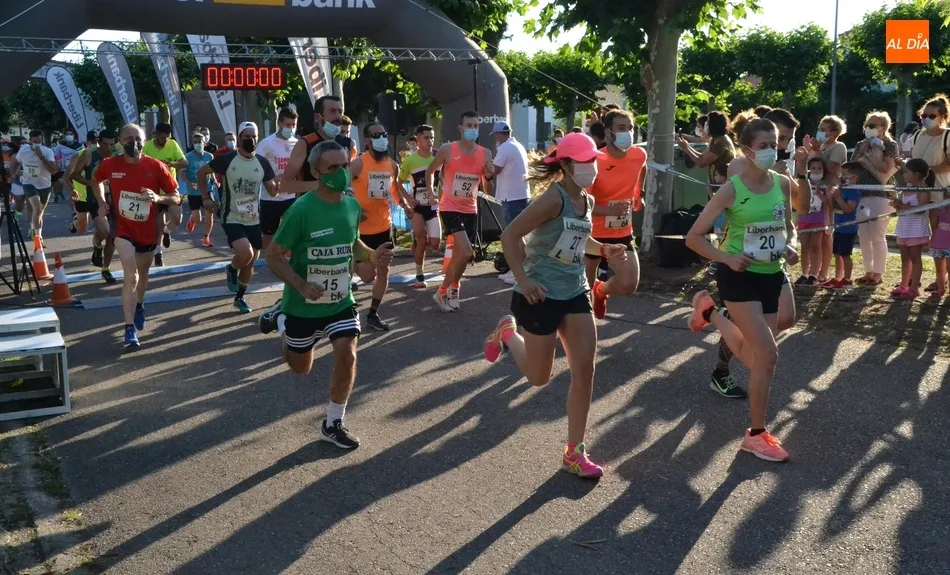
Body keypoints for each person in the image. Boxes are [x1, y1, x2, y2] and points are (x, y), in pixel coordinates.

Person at [483, 133, 628, 479]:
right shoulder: (553, 199)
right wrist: (524, 279)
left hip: (575, 291)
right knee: (539, 377)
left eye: (593, 160)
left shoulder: (587, 202)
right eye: (584, 162)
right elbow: (510, 235)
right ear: (564, 165)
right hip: (540, 293)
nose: (591, 167)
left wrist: (604, 250)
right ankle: (507, 333)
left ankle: (574, 452)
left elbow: (580, 239)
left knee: (586, 368)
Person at [258, 140, 394, 450]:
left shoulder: (350, 205)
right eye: (332, 168)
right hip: (302, 304)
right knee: (300, 367)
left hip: (340, 301)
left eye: (344, 166)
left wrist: (373, 257)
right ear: (317, 172)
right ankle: (280, 320)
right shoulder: (300, 210)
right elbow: (275, 256)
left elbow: (353, 245)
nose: (341, 173)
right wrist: (301, 285)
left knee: (348, 354)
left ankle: (333, 422)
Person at [685, 118, 797, 462]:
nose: (771, 150)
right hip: (738, 276)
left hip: (771, 273)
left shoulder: (782, 183)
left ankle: (710, 312)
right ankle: (757, 434)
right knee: (768, 355)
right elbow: (694, 237)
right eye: (763, 145)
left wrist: (788, 246)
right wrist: (727, 258)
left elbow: (787, 227)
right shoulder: (731, 189)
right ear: (747, 150)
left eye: (774, 143)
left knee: (754, 355)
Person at [706, 110, 806, 400]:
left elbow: (801, 205)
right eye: (778, 139)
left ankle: (722, 317)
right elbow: (739, 203)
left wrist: (797, 171)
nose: (781, 147)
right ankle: (722, 370)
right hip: (741, 259)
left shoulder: (779, 170)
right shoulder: (739, 167)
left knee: (785, 317)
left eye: (784, 141)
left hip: (773, 256)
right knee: (759, 346)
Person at [94, 124, 179, 348]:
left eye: (137, 138)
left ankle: (139, 304)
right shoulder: (109, 164)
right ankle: (129, 329)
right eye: (128, 139)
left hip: (148, 230)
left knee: (142, 274)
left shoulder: (156, 166)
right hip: (123, 229)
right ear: (120, 142)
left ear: (144, 139)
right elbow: (96, 180)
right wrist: (102, 202)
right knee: (130, 275)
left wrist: (158, 198)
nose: (134, 143)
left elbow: (176, 197)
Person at [198, 121, 276, 314]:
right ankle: (232, 269)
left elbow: (272, 190)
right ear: (239, 139)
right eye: (246, 136)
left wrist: (279, 185)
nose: (250, 140)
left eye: (253, 136)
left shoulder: (263, 163)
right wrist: (206, 198)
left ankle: (239, 297)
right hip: (231, 215)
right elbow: (202, 173)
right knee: (246, 253)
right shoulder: (227, 159)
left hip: (254, 218)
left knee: (251, 260)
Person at [426, 110, 495, 312]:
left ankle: (452, 288)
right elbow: (431, 170)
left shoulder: (485, 153)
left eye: (476, 126)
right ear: (461, 128)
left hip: (470, 208)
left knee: (462, 256)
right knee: (465, 250)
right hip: (449, 206)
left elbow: (488, 190)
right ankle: (442, 291)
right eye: (469, 125)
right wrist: (431, 191)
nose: (473, 129)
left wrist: (489, 177)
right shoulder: (448, 149)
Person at [584, 108, 643, 316]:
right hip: (593, 234)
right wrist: (608, 209)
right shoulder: (596, 161)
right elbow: (582, 205)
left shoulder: (639, 155)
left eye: (630, 128)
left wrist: (638, 194)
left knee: (629, 284)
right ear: (608, 133)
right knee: (583, 292)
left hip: (621, 231)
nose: (628, 133)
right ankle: (578, 336)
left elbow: (640, 169)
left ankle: (601, 290)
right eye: (621, 128)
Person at [350, 122, 403, 331]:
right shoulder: (358, 164)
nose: (381, 137)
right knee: (367, 276)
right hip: (362, 231)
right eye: (376, 135)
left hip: (384, 227)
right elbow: (341, 186)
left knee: (383, 271)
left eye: (383, 133)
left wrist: (406, 207)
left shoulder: (392, 165)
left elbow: (394, 191)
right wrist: (352, 210)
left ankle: (373, 313)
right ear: (367, 141)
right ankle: (350, 265)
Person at [851, 111, 899, 286]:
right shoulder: (860, 144)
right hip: (863, 194)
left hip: (882, 195)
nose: (868, 129)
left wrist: (875, 150)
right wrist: (863, 152)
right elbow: (852, 168)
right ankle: (868, 272)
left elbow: (886, 169)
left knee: (878, 235)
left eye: (873, 125)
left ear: (883, 128)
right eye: (867, 125)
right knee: (863, 235)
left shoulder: (890, 145)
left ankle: (878, 273)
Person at [281, 95, 356, 197]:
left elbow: (348, 177)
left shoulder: (348, 143)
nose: (338, 116)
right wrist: (321, 185)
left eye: (340, 111)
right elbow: (285, 185)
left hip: (338, 208)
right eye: (332, 111)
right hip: (311, 208)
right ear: (317, 117)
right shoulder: (304, 144)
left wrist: (350, 195)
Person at [398, 124, 441, 288]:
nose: (430, 141)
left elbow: (443, 178)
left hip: (432, 206)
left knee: (436, 244)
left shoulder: (438, 157)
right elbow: (399, 183)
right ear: (418, 139)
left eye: (432, 138)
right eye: (426, 137)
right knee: (422, 240)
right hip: (417, 206)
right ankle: (419, 275)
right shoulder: (410, 160)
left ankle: (416, 243)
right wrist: (409, 199)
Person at [806, 115, 849, 282]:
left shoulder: (839, 147)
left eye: (824, 129)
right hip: (814, 193)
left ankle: (824, 272)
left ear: (834, 132)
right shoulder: (819, 147)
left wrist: (817, 152)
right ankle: (812, 271)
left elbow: (831, 168)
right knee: (813, 236)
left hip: (829, 192)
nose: (820, 132)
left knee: (826, 234)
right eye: (820, 128)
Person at [142, 122, 188, 266]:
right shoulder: (147, 146)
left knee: (177, 219)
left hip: (170, 189)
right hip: (154, 190)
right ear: (155, 134)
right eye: (161, 137)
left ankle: (168, 230)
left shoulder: (172, 144)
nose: (164, 140)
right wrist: (156, 165)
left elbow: (184, 163)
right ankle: (158, 252)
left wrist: (172, 164)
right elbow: (140, 164)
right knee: (158, 224)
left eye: (166, 138)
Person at [491, 121, 531, 284]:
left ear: (499, 134)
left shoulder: (505, 148)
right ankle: (517, 270)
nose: (495, 138)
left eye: (495, 135)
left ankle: (519, 273)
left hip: (512, 198)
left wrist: (485, 167)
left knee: (514, 236)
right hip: (521, 196)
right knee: (518, 235)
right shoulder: (517, 145)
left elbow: (495, 169)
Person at [890, 158, 934, 300]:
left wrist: (902, 205)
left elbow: (921, 210)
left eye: (906, 172)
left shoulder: (924, 190)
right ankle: (904, 285)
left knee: (915, 258)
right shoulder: (905, 189)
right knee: (904, 259)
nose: (904, 175)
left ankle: (914, 287)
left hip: (916, 230)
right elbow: (902, 207)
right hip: (904, 228)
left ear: (916, 174)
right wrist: (897, 205)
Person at [256, 107, 299, 249]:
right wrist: (272, 179)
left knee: (293, 234)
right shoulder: (267, 143)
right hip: (271, 198)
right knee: (269, 235)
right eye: (288, 125)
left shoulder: (297, 143)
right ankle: (267, 264)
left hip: (291, 197)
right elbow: (257, 165)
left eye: (294, 125)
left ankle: (288, 264)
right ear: (280, 124)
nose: (291, 128)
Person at [11, 130, 57, 243]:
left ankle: (35, 230)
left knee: (40, 212)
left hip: (45, 185)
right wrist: (12, 174)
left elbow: (52, 170)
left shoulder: (47, 151)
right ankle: (38, 237)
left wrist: (41, 157)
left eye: (40, 141)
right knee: (36, 208)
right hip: (29, 183)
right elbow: (16, 161)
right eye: (35, 141)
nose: (37, 144)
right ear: (30, 140)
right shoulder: (23, 151)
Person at [676, 110, 735, 198]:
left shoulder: (721, 143)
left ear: (713, 125)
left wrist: (685, 148)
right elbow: (702, 156)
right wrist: (687, 145)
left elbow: (702, 163)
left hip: (723, 187)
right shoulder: (715, 140)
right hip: (716, 186)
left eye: (707, 122)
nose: (705, 125)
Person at [795, 156, 832, 286]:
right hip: (804, 219)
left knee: (816, 247)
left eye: (819, 168)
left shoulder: (825, 185)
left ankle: (814, 274)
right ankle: (804, 273)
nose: (816, 171)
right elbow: (797, 200)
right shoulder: (803, 183)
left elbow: (828, 203)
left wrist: (819, 193)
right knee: (804, 247)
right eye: (813, 168)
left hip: (818, 220)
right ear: (808, 169)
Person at [825, 162, 861, 290]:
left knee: (845, 254)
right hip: (838, 226)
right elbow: (831, 207)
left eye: (845, 175)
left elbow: (848, 209)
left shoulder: (853, 192)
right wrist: (829, 197)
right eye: (841, 174)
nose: (841, 177)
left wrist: (838, 197)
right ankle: (838, 277)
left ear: (854, 177)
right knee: (837, 253)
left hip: (848, 228)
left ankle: (847, 279)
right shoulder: (842, 189)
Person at [182, 132, 216, 247]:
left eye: (199, 142)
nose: (197, 144)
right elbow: (181, 172)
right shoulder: (188, 157)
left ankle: (206, 238)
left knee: (210, 214)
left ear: (204, 143)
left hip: (207, 189)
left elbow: (211, 170)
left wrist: (214, 180)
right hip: (194, 191)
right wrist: (188, 183)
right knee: (198, 219)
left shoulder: (209, 156)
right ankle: (192, 221)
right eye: (195, 142)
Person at [65, 131, 100, 237]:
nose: (96, 144)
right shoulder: (79, 155)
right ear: (87, 142)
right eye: (93, 141)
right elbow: (66, 176)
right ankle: (75, 223)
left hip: (98, 196)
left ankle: (97, 248)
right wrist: (72, 190)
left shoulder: (102, 155)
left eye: (98, 141)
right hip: (82, 196)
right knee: (82, 229)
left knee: (101, 227)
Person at [52, 129, 81, 204]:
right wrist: (57, 164)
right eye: (67, 134)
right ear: (64, 136)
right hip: (65, 170)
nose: (69, 136)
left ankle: (76, 205)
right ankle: (74, 210)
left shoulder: (80, 146)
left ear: (74, 135)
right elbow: (55, 156)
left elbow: (84, 156)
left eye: (70, 134)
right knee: (70, 190)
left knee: (76, 189)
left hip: (77, 170)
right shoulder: (61, 145)